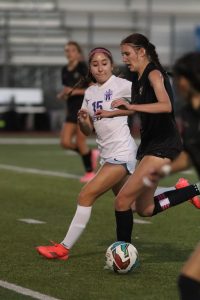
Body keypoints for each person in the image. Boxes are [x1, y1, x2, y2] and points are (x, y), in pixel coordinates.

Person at [95, 33, 200, 244]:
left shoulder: (154, 74)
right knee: (144, 208)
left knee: (122, 201)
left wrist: (131, 106)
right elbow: (137, 109)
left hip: (163, 147)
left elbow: (165, 106)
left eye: (127, 53)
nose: (124, 58)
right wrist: (112, 113)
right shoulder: (138, 79)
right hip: (150, 146)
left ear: (141, 52)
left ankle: (122, 252)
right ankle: (195, 189)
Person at [36, 47, 138, 260]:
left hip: (122, 152)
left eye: (104, 63)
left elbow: (148, 98)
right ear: (90, 69)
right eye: (95, 64)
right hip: (107, 155)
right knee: (135, 203)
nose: (100, 68)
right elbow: (87, 130)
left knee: (85, 195)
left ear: (112, 65)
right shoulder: (91, 92)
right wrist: (83, 121)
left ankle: (63, 248)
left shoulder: (123, 85)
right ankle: (187, 190)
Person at [57, 41, 99, 183]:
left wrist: (74, 92)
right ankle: (90, 154)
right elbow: (68, 90)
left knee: (81, 141)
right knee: (65, 142)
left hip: (84, 108)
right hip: (71, 110)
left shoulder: (83, 68)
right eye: (67, 50)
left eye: (72, 50)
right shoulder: (64, 70)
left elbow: (93, 87)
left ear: (78, 53)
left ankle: (89, 173)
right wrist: (64, 94)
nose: (69, 53)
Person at [165, 53, 200, 178]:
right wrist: (164, 170)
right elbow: (191, 155)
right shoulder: (187, 113)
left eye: (179, 79)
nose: (176, 84)